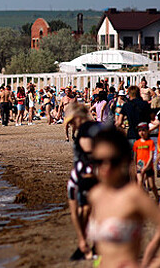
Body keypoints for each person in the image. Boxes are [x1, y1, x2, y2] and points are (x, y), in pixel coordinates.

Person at [88, 128, 160, 267]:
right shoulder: (96, 194)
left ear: (123, 160)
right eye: (99, 161)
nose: (106, 167)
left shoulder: (133, 195)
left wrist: (154, 266)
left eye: (113, 161)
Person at [65, 104, 100, 260]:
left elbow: (91, 152)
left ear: (78, 117)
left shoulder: (86, 131)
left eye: (72, 122)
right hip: (83, 177)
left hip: (84, 177)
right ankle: (85, 243)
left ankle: (85, 243)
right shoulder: (93, 128)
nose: (71, 125)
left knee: (83, 211)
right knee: (85, 211)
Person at [133, 122, 159, 202]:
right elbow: (135, 156)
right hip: (139, 166)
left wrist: (146, 166)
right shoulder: (136, 143)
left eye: (144, 130)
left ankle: (157, 198)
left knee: (152, 185)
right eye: (140, 131)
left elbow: (151, 156)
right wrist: (134, 166)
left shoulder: (150, 142)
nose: (142, 132)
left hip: (148, 166)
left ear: (147, 131)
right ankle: (144, 200)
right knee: (140, 183)